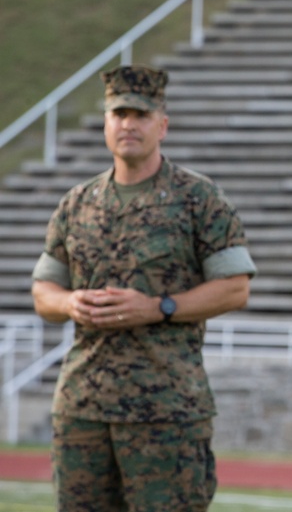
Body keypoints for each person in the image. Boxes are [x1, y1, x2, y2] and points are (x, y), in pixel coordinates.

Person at [31, 64, 258, 512]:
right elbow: (44, 291)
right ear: (106, 124)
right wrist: (70, 302)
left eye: (140, 115)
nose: (128, 124)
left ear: (162, 125)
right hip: (83, 408)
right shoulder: (77, 204)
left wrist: (160, 307)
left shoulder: (197, 199)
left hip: (166, 411)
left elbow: (234, 289)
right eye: (118, 115)